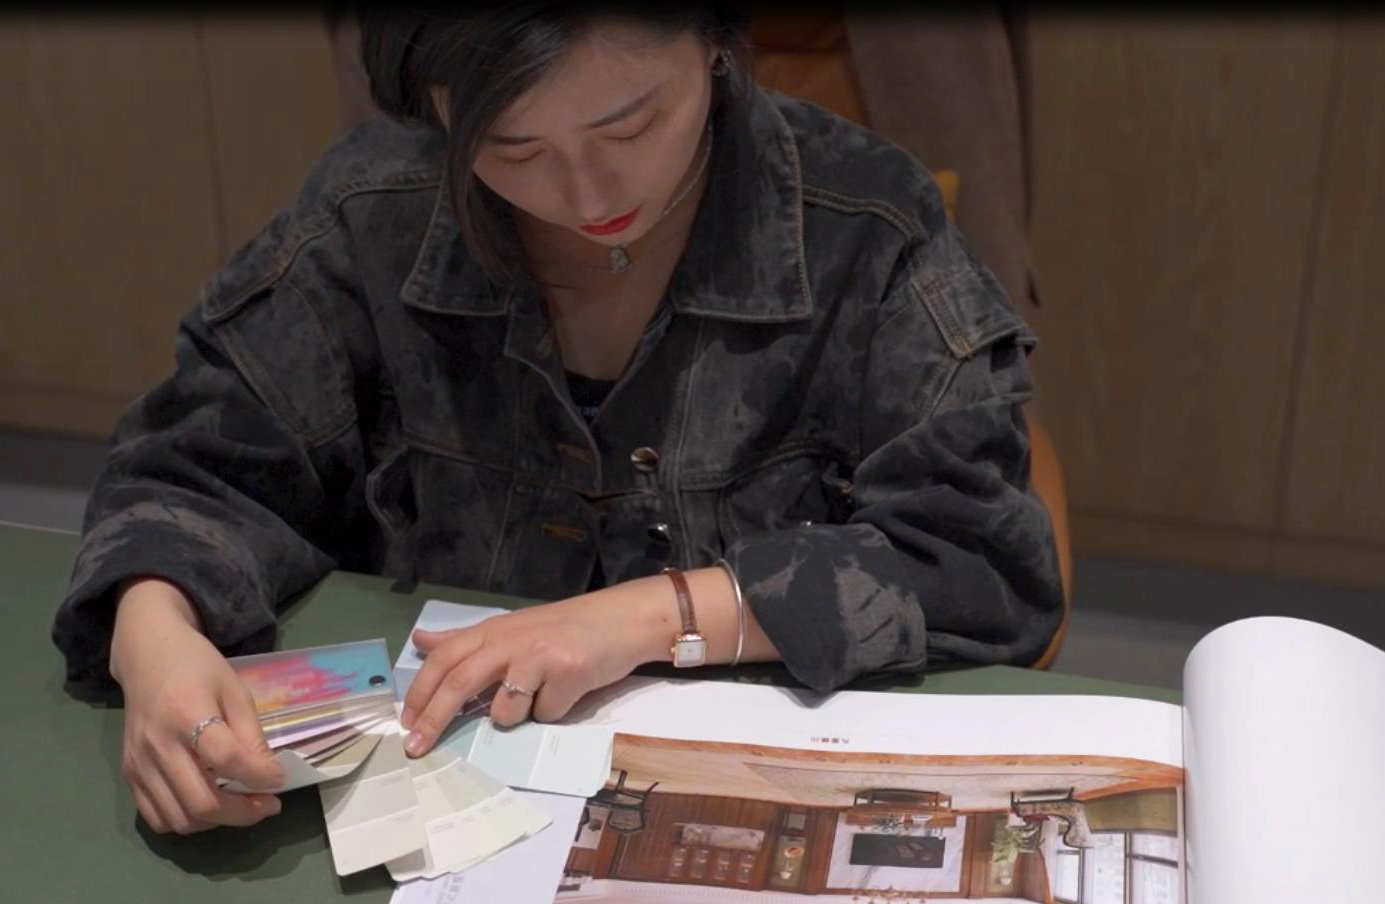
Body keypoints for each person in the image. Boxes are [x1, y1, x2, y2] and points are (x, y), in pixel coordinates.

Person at [51, 7, 1063, 837]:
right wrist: (154, 638)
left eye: (630, 127)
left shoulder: (865, 228)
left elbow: (979, 562)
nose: (585, 194)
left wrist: (655, 614)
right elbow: (199, 465)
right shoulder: (379, 208)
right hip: (442, 801)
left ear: (714, 44)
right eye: (512, 146)